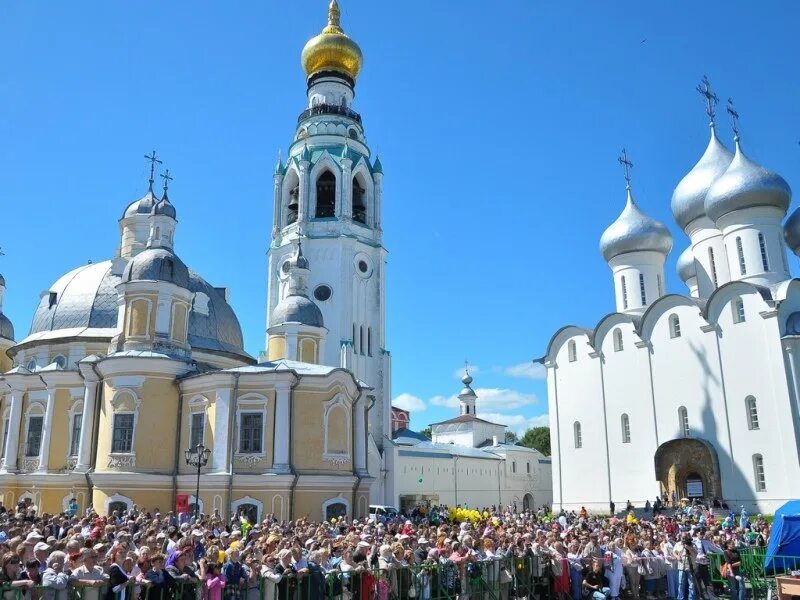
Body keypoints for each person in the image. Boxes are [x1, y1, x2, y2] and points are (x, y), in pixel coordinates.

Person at [674, 534, 697, 600]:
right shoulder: (677, 544)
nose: (683, 539)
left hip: (691, 567)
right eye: (682, 537)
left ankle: (691, 598)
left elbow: (695, 554)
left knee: (692, 585)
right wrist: (677, 556)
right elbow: (674, 551)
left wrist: (689, 548)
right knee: (681, 584)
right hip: (681, 566)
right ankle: (680, 598)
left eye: (685, 538)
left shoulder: (692, 544)